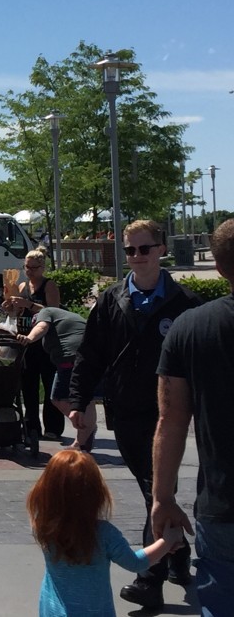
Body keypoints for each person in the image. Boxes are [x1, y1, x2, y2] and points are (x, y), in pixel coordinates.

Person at [69, 219, 199, 609]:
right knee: (156, 489)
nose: (138, 257)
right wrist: (79, 401)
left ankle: (150, 577)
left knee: (155, 490)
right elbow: (90, 354)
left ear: (161, 249)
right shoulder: (112, 300)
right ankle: (176, 554)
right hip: (126, 411)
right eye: (130, 250)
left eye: (145, 249)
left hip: (170, 414)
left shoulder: (185, 303)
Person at [153, 217, 234, 617]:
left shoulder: (189, 328)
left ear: (218, 267)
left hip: (223, 505)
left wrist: (162, 497)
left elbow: (171, 422)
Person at [28, 449, 183, 617]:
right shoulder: (104, 534)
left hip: (53, 609)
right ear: (96, 495)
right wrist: (165, 542)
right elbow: (136, 563)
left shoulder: (43, 526)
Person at [2, 249, 65, 441]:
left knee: (49, 385)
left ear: (42, 267)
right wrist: (10, 306)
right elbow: (15, 313)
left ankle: (53, 428)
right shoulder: (22, 286)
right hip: (25, 340)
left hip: (45, 342)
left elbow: (54, 311)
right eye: (26, 267)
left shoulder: (49, 286)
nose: (29, 271)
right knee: (28, 386)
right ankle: (31, 427)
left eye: (33, 268)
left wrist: (29, 305)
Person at [16, 307, 97, 451]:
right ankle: (82, 442)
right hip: (92, 357)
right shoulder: (71, 316)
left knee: (58, 398)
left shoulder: (45, 312)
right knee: (86, 399)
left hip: (71, 360)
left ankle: (86, 428)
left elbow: (41, 327)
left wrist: (29, 338)